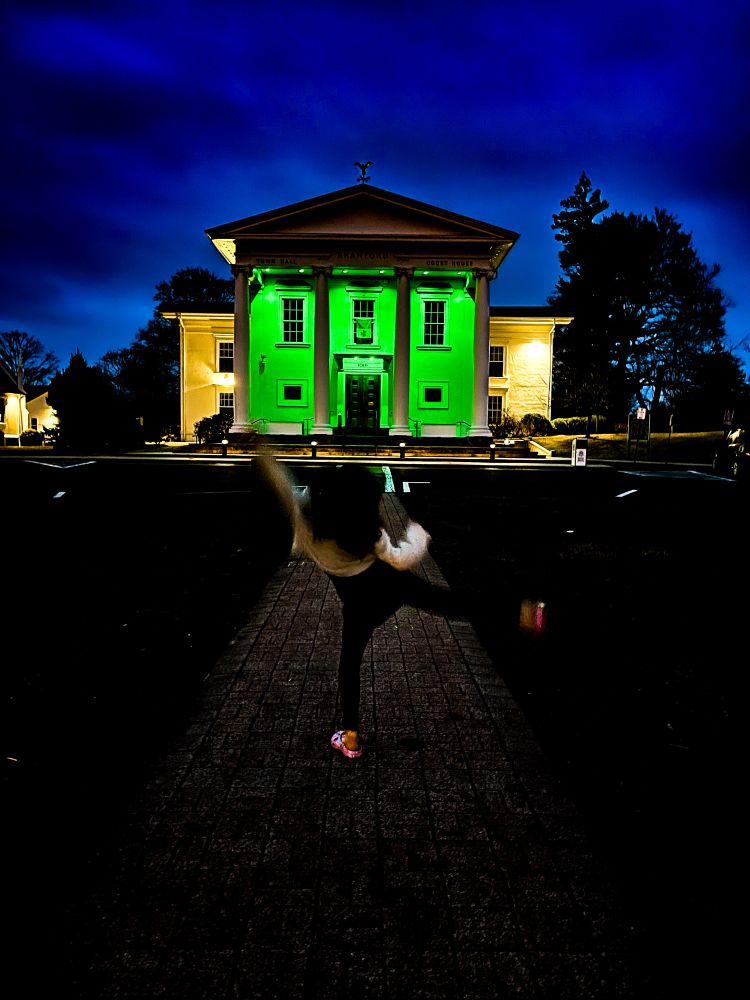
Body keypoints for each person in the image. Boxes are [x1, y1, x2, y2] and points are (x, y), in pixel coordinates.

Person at [255, 451, 463, 759]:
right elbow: (402, 559)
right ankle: (520, 614)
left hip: (358, 605)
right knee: (448, 604)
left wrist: (263, 454)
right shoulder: (367, 532)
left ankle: (350, 738)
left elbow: (284, 486)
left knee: (349, 662)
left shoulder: (307, 522)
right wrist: (418, 532)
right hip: (391, 587)